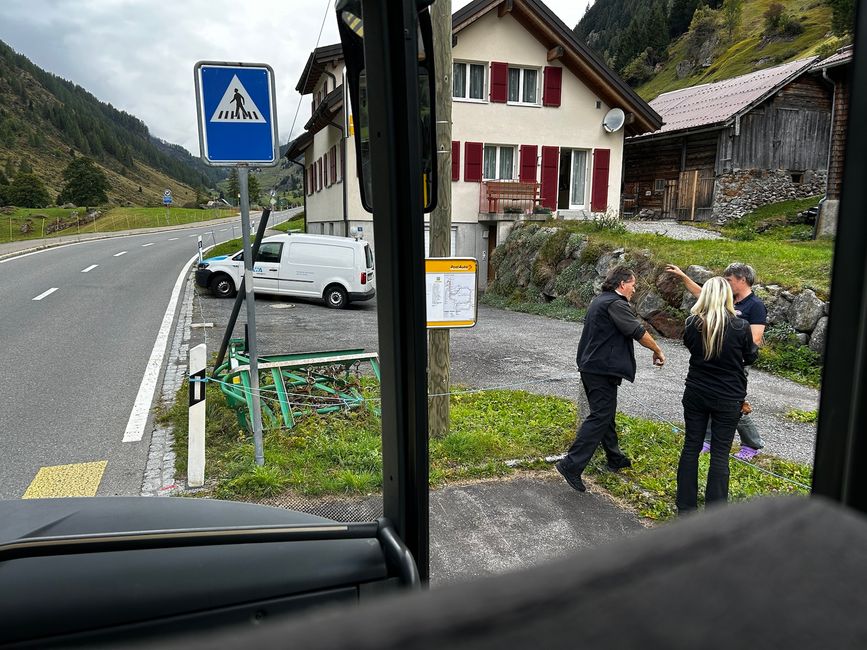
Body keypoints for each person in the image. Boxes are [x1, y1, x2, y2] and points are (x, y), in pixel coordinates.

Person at [556, 266, 666, 492]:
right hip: (600, 369)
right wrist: (657, 350)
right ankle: (571, 465)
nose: (634, 289)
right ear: (622, 283)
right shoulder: (616, 304)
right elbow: (637, 331)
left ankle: (614, 457)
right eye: (633, 284)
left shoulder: (600, 300)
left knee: (606, 413)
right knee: (600, 416)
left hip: (592, 366)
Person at [666, 262, 767, 459]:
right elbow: (705, 295)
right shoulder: (731, 300)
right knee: (712, 400)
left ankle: (752, 444)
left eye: (729, 280)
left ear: (742, 280)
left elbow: (754, 339)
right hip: (718, 359)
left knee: (732, 405)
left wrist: (728, 349)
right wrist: (684, 277)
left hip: (735, 363)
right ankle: (709, 440)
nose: (726, 284)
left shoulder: (755, 306)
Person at [676, 277, 758, 513]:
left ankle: (685, 507)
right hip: (728, 395)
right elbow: (750, 357)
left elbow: (690, 346)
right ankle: (715, 513)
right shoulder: (740, 326)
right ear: (727, 296)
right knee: (720, 454)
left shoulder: (693, 323)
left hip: (696, 390)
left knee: (691, 446)